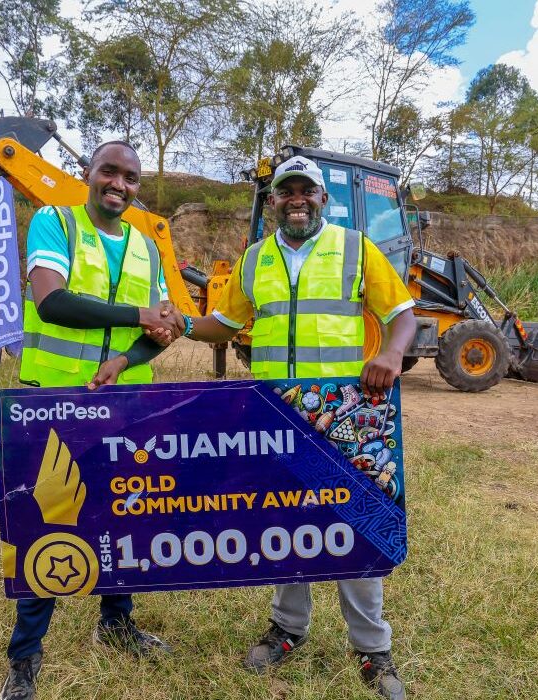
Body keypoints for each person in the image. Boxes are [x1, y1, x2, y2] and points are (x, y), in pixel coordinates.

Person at [93, 155, 417, 700]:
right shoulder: (252, 261)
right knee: (288, 527)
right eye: (285, 192)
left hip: (345, 415)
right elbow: (224, 324)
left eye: (305, 191)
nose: (296, 199)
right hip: (277, 416)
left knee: (356, 526)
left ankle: (371, 649)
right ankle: (288, 630)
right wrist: (182, 324)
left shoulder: (356, 249)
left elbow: (402, 315)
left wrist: (390, 352)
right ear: (272, 203)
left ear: (322, 199)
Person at [0, 140, 183, 700]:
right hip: (55, 404)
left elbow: (160, 330)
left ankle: (116, 622)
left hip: (127, 405)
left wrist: (130, 354)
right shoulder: (55, 222)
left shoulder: (146, 248)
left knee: (123, 516)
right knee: (48, 522)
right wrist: (139, 315)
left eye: (130, 178)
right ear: (89, 173)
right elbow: (50, 301)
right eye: (110, 171)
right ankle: (25, 658)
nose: (119, 185)